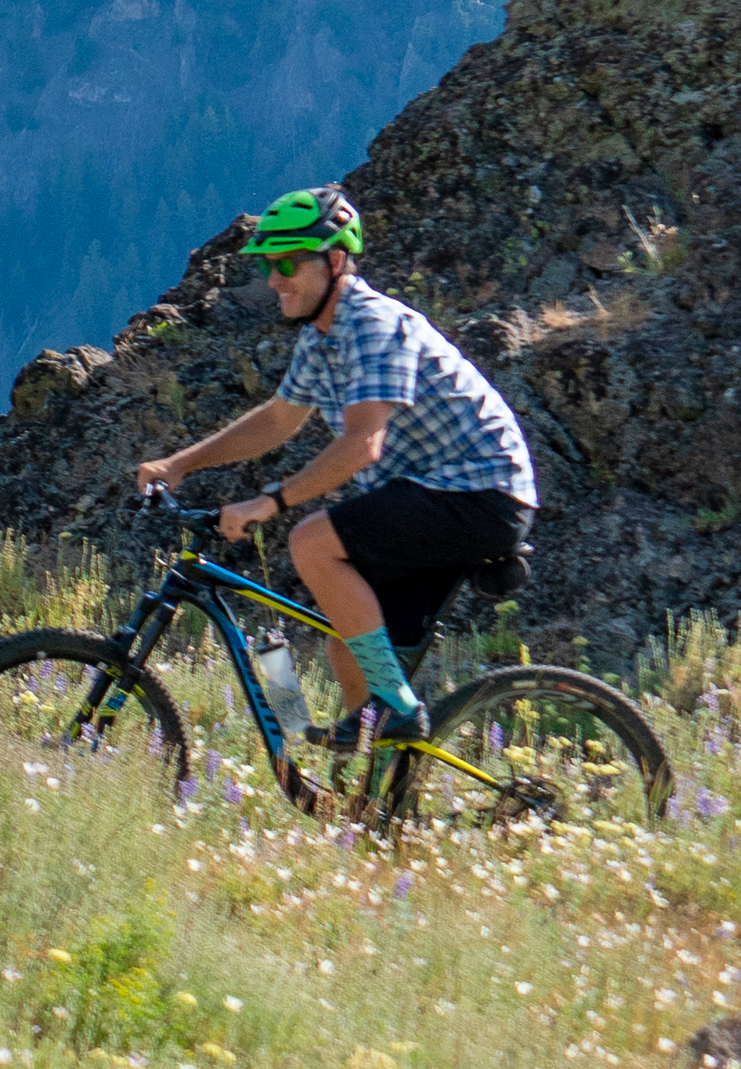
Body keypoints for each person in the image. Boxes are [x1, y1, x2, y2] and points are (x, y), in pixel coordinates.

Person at [133, 182, 537, 736]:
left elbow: (361, 445)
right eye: (269, 264)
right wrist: (181, 464)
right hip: (440, 493)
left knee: (311, 540)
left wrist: (269, 502)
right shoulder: (322, 338)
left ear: (337, 260)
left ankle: (396, 707)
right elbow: (278, 420)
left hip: (480, 492)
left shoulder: (373, 325)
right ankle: (365, 804)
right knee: (346, 648)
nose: (275, 278)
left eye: (289, 263)